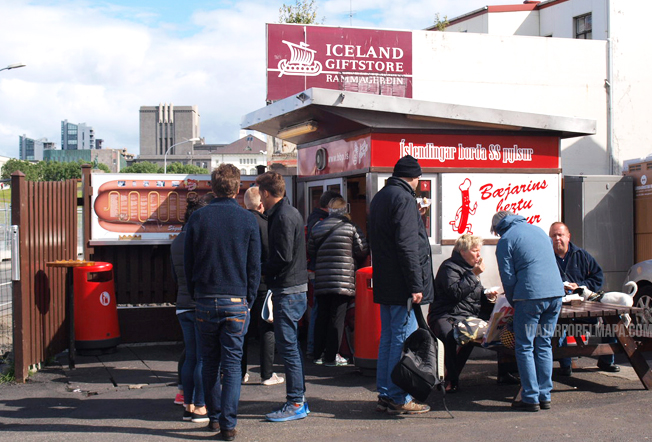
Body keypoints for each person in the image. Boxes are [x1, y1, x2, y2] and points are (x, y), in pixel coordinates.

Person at [185, 164, 261, 441]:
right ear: (237, 187)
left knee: (208, 362)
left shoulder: (199, 218)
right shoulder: (248, 219)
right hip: (236, 299)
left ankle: (214, 418)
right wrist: (249, 298)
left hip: (205, 298)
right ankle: (228, 424)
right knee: (231, 365)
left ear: (212, 187)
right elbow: (254, 266)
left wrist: (196, 292)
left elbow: (188, 261)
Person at [368, 155, 434, 415]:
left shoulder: (382, 196)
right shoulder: (404, 198)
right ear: (415, 177)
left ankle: (386, 392)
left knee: (389, 339)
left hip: (386, 280)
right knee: (401, 340)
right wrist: (415, 284)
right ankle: (398, 396)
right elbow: (408, 246)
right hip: (402, 285)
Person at [492, 211, 564, 412]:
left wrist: (514, 300)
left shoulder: (506, 239)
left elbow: (507, 277)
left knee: (524, 346)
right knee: (544, 344)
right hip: (555, 294)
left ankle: (530, 397)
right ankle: (545, 395)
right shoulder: (539, 230)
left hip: (530, 296)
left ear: (499, 228)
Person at [255, 172, 309, 422]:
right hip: (292, 288)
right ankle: (298, 400)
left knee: (288, 348)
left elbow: (283, 257)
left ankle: (296, 402)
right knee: (291, 348)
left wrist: (259, 268)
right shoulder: (289, 213)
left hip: (288, 289)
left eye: (259, 193)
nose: (259, 200)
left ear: (266, 193)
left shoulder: (283, 216)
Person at [427, 234, 498, 393]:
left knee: (490, 329)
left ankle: (507, 372)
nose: (478, 255)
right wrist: (473, 274)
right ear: (462, 252)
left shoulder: (470, 270)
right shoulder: (449, 267)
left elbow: (475, 297)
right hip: (445, 314)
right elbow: (455, 293)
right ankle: (451, 378)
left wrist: (488, 296)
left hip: (465, 315)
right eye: (475, 251)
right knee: (450, 336)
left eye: (479, 251)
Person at [549, 222, 619, 375]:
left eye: (560, 235)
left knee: (613, 317)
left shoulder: (582, 255)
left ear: (568, 237)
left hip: (585, 303)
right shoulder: (546, 258)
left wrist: (580, 286)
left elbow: (598, 278)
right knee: (560, 323)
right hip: (560, 305)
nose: (557, 238)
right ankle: (565, 363)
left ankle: (607, 360)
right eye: (553, 235)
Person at [308, 197, 369, 366]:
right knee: (337, 318)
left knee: (322, 316)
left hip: (322, 278)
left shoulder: (317, 227)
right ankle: (331, 356)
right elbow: (362, 250)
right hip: (343, 279)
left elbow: (311, 250)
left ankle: (317, 354)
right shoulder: (351, 228)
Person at [241, 186, 284, 386]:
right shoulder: (266, 224)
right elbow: (271, 253)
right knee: (267, 326)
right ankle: (267, 374)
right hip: (263, 283)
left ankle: (240, 372)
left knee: (242, 330)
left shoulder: (238, 222)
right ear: (261, 204)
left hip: (240, 283)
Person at [172, 196, 209, 423]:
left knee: (191, 357)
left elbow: (176, 276)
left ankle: (187, 405)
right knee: (204, 358)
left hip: (182, 304)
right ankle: (200, 406)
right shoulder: (200, 240)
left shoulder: (177, 241)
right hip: (200, 304)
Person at [305, 190, 343, 359]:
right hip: (322, 271)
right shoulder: (321, 221)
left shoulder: (314, 220)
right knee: (320, 312)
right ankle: (314, 348)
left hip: (316, 270)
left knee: (319, 311)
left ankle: (315, 348)